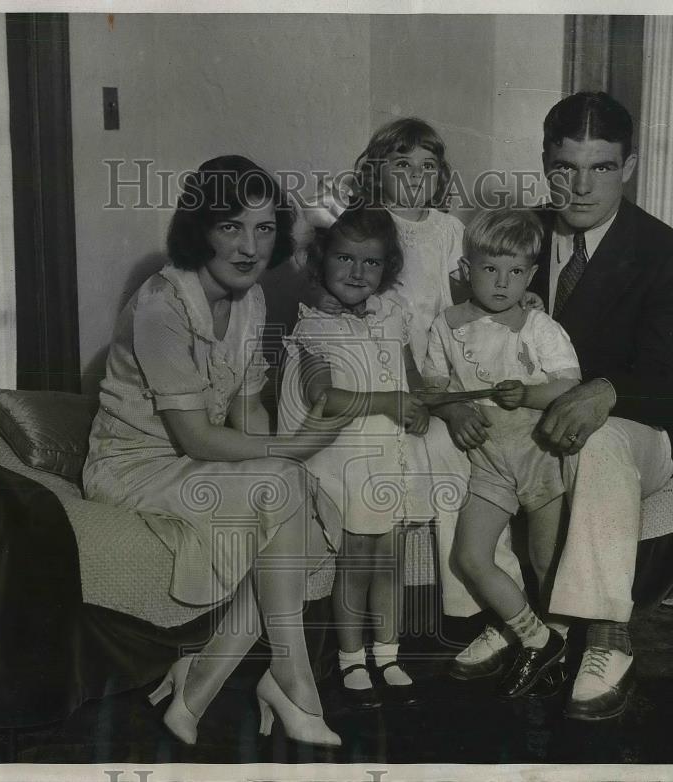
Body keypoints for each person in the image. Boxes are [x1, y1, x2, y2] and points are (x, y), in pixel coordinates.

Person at [443, 92, 673, 720]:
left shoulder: (669, 255)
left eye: (603, 167)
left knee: (605, 438)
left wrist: (607, 389)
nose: (582, 187)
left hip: (638, 433)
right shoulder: (516, 237)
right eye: (566, 168)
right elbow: (466, 333)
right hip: (525, 425)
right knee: (452, 435)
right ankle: (526, 621)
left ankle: (606, 634)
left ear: (630, 166)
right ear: (544, 162)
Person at [82, 155, 354, 748]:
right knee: (285, 485)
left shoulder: (250, 300)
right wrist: (290, 449)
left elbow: (247, 409)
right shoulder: (160, 305)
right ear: (199, 229)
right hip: (134, 467)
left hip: (190, 462)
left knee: (292, 493)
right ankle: (290, 679)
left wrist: (276, 458)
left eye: (262, 228)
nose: (249, 246)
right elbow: (196, 437)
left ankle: (204, 681)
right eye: (231, 226)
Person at [311, 116, 528, 623]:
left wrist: (515, 302)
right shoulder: (366, 222)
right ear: (376, 170)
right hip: (388, 365)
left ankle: (476, 597)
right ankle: (477, 598)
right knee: (442, 444)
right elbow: (327, 263)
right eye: (401, 164)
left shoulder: (450, 228)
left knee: (471, 448)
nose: (414, 176)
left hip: (442, 360)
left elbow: (467, 294)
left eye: (427, 166)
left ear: (441, 175)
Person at [279, 205, 435, 710]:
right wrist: (389, 402)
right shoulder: (313, 329)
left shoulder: (391, 315)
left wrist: (420, 410)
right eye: (344, 258)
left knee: (390, 561)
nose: (356, 272)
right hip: (343, 460)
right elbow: (327, 398)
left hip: (389, 456)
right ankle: (350, 658)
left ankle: (388, 653)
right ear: (322, 259)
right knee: (357, 562)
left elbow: (410, 379)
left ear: (386, 269)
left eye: (371, 263)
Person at [424, 209, 581, 697]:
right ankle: (536, 639)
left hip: (537, 454)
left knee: (544, 559)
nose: (502, 282)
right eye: (490, 269)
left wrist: (530, 395)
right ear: (467, 269)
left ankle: (560, 646)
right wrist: (453, 409)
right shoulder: (446, 324)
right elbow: (433, 385)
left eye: (516, 272)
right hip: (489, 462)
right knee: (470, 556)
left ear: (531, 276)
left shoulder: (538, 325)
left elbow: (570, 382)